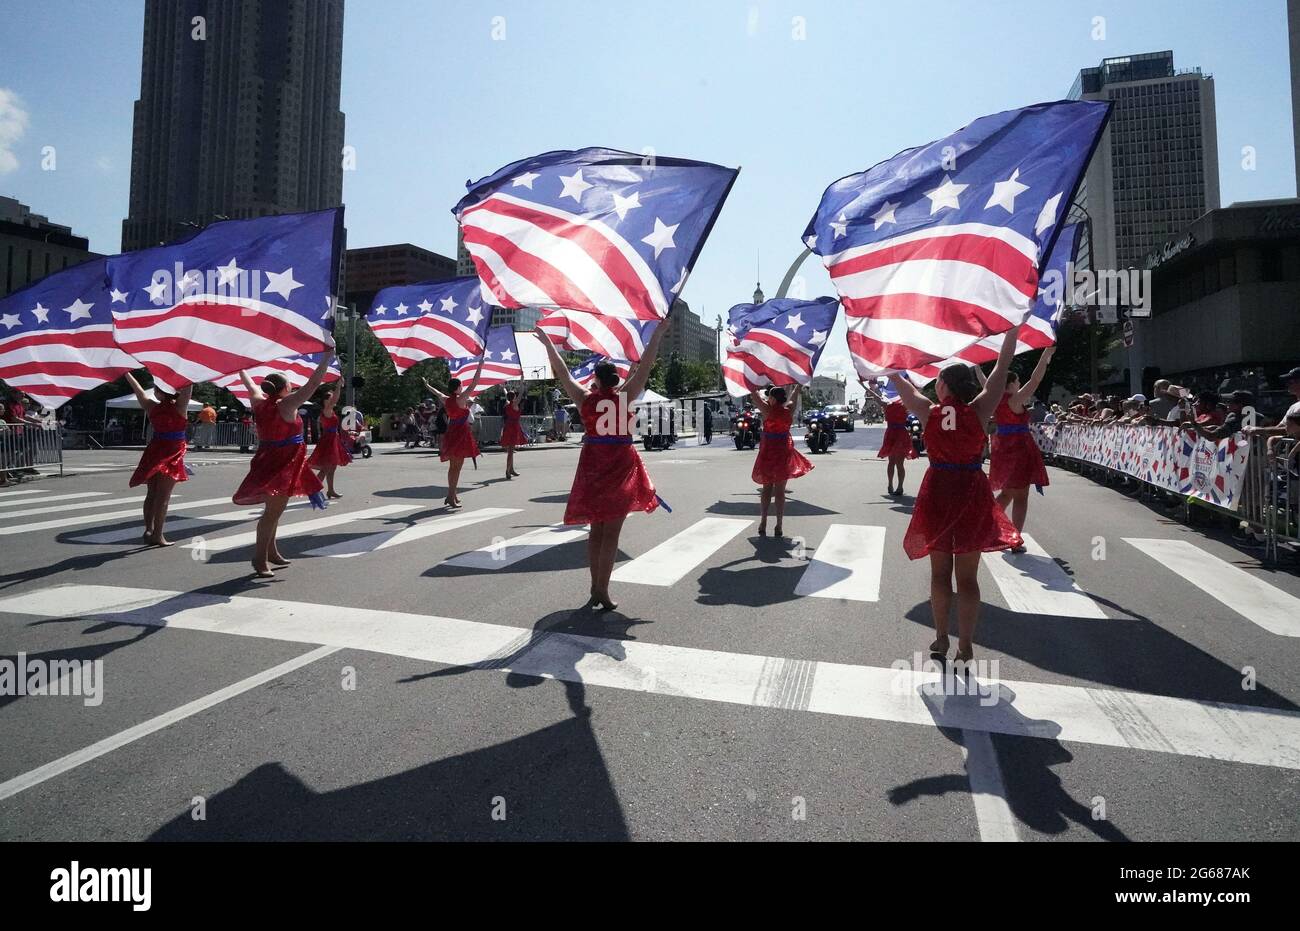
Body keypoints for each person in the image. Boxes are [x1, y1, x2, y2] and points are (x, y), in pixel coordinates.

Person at [887, 325, 1023, 665]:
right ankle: (966, 644)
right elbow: (1002, 369)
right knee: (968, 577)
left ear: (943, 385)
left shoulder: (928, 410)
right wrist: (1013, 329)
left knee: (938, 573)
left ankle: (940, 638)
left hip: (938, 490)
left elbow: (899, 381)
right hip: (971, 490)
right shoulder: (981, 409)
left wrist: (884, 352)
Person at [539, 319, 668, 611]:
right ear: (616, 380)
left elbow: (561, 371)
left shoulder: (584, 398)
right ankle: (602, 590)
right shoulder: (626, 396)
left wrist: (549, 344)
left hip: (594, 468)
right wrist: (657, 335)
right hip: (620, 469)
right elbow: (646, 365)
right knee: (611, 532)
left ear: (595, 379)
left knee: (596, 530)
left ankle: (595, 587)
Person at [232, 354, 335, 578]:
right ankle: (259, 559)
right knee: (272, 513)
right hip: (282, 464)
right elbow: (314, 383)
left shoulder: (258, 400)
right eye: (289, 383)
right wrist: (326, 358)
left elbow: (249, 383)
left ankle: (271, 551)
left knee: (275, 511)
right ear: (284, 388)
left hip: (269, 459)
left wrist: (240, 366)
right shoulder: (288, 404)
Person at [982, 346, 1055, 546]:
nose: (1020, 384)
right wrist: (1045, 356)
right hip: (1019, 451)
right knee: (1021, 496)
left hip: (1002, 449)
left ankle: (989, 523)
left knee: (1007, 493)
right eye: (1017, 382)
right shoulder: (1014, 400)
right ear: (1012, 383)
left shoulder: (993, 397)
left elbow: (985, 383)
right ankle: (1014, 537)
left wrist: (976, 369)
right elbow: (1035, 380)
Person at [123, 372, 194, 546]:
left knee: (151, 494)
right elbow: (188, 387)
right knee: (163, 497)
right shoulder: (180, 408)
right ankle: (158, 534)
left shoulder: (151, 407)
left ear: (159, 392)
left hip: (155, 450)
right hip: (172, 453)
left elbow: (138, 390)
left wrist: (126, 373)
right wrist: (185, 368)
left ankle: (149, 528)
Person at [748, 385, 813, 537]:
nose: (767, 398)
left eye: (769, 396)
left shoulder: (767, 410)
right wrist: (798, 385)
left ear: (773, 398)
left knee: (766, 489)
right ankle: (779, 524)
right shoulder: (789, 410)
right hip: (783, 453)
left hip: (769, 453)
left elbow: (754, 395)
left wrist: (751, 383)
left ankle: (763, 521)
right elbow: (795, 395)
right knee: (780, 492)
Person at [423, 361, 486, 509]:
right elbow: (474, 384)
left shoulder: (447, 399)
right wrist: (480, 367)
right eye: (461, 386)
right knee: (457, 467)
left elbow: (436, 392)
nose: (463, 387)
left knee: (453, 467)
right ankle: (451, 496)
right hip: (461, 434)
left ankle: (452, 495)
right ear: (458, 388)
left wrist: (427, 385)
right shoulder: (461, 399)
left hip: (451, 432)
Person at [861, 378, 917, 496]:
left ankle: (899, 486)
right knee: (893, 462)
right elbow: (874, 394)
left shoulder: (903, 403)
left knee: (897, 462)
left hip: (898, 433)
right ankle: (891, 484)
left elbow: (915, 392)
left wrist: (864, 386)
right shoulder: (891, 404)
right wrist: (864, 386)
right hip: (895, 433)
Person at [308, 384, 351, 499]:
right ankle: (314, 490)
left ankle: (330, 490)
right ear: (326, 400)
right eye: (331, 398)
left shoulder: (328, 410)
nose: (333, 400)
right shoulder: (327, 409)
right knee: (326, 468)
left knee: (331, 468)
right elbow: (336, 398)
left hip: (332, 439)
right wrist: (338, 386)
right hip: (329, 440)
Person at [499, 388, 527, 479]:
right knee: (510, 451)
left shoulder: (508, 403)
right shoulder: (514, 404)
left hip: (509, 426)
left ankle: (511, 469)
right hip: (513, 427)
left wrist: (503, 388)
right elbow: (521, 393)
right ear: (514, 397)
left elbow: (508, 395)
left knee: (511, 450)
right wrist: (522, 383)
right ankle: (507, 470)